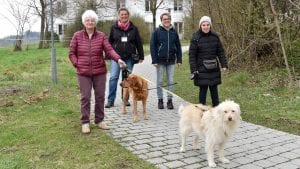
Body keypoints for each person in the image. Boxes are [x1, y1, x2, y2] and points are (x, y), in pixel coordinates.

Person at [69, 10, 126, 134]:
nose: (90, 22)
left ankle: (99, 121)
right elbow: (72, 53)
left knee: (100, 97)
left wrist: (118, 59)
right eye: (88, 20)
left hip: (99, 71)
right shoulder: (77, 35)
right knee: (85, 97)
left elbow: (109, 50)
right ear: (84, 22)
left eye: (92, 20)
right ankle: (85, 122)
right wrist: (77, 64)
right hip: (83, 72)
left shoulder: (101, 36)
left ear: (95, 22)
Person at [105, 7, 144, 108]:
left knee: (127, 79)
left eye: (125, 14)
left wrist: (141, 55)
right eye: (122, 14)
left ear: (128, 15)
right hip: (116, 58)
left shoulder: (133, 28)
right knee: (113, 77)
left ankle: (125, 99)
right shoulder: (114, 28)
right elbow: (109, 43)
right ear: (119, 16)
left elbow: (138, 43)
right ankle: (110, 100)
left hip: (129, 58)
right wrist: (108, 55)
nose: (124, 16)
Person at [189, 16, 228, 107]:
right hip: (201, 69)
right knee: (203, 91)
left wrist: (224, 64)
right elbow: (192, 55)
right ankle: (201, 112)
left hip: (213, 68)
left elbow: (220, 51)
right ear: (200, 26)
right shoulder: (195, 37)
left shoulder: (215, 36)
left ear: (210, 25)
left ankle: (216, 111)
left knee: (214, 90)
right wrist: (194, 69)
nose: (206, 27)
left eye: (207, 25)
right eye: (203, 25)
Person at [150, 13, 182, 110]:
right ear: (161, 20)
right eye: (164, 19)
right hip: (160, 61)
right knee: (159, 81)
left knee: (170, 81)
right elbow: (152, 46)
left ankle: (169, 101)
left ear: (170, 20)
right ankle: (160, 100)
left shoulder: (174, 32)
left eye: (168, 19)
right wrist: (154, 60)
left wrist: (179, 59)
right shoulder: (157, 32)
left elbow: (178, 46)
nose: (166, 20)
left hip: (171, 60)